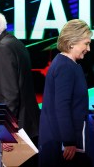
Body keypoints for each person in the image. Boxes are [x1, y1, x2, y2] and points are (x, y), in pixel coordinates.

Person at [0, 9, 40, 165]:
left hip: (17, 134)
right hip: (27, 128)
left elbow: (8, 95)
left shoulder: (3, 49)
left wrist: (6, 132)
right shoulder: (15, 43)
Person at [38, 19, 93, 167]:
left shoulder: (69, 64)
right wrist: (69, 141)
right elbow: (62, 106)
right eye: (86, 43)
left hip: (65, 141)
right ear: (72, 42)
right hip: (61, 145)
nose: (88, 49)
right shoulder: (65, 66)